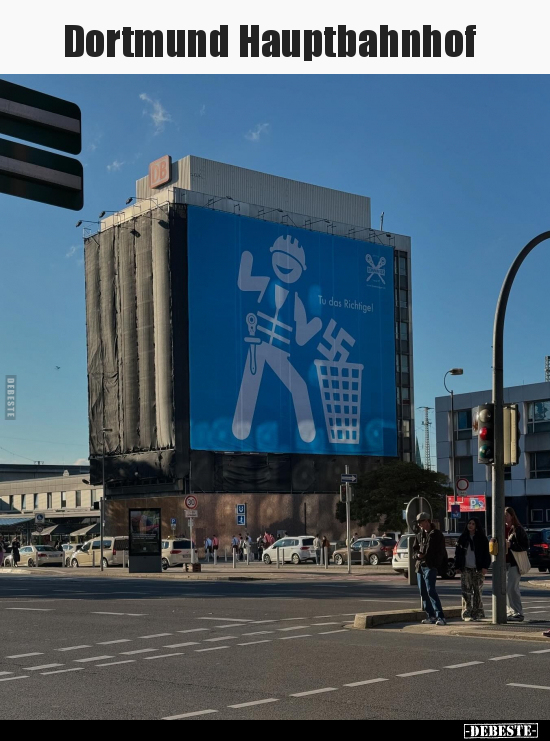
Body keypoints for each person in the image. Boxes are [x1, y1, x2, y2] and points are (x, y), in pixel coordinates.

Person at [412, 513, 447, 626]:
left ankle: (440, 616)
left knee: (431, 590)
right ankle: (430, 615)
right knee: (423, 592)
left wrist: (435, 564)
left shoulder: (436, 535)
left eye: (421, 522)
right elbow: (414, 551)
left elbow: (441, 551)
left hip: (430, 566)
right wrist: (417, 555)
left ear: (427, 521)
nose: (420, 525)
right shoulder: (419, 535)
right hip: (420, 566)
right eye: (419, 523)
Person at [455, 518, 491, 621]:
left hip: (478, 569)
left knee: (477, 592)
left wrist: (485, 567)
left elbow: (486, 554)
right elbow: (458, 553)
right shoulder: (463, 538)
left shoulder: (482, 539)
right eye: (469, 523)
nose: (470, 525)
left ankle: (478, 613)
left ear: (476, 526)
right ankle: (467, 613)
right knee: (466, 591)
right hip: (466, 568)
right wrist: (457, 566)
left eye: (473, 524)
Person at [505, 506, 529, 622]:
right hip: (503, 563)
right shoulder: (500, 528)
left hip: (514, 562)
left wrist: (511, 545)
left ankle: (518, 612)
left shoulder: (517, 529)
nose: (504, 517)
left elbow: (525, 546)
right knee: (505, 589)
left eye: (506, 515)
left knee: (512, 588)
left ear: (512, 516)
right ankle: (510, 612)